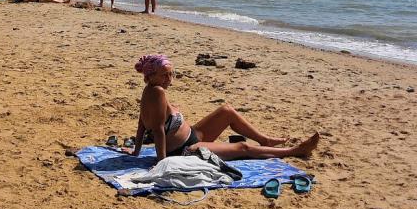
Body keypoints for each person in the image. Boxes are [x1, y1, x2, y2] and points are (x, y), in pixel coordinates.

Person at [126, 54, 320, 160]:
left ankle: (265, 140)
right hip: (186, 149)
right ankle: (295, 151)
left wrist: (136, 150)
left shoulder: (151, 90)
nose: (170, 79)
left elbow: (142, 122)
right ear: (150, 76)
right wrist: (162, 162)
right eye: (164, 75)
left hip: (193, 135)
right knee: (242, 147)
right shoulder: (157, 92)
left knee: (226, 110)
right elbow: (158, 130)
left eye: (171, 74)